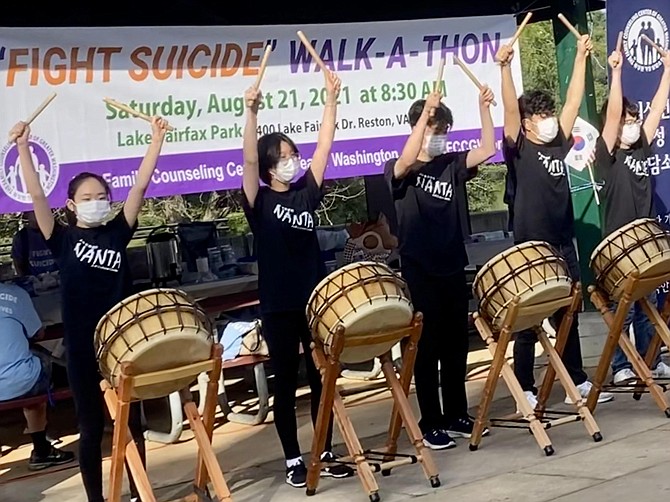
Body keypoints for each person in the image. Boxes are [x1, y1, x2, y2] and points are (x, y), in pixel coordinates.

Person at [9, 116, 169, 502]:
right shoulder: (60, 238)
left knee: (130, 421)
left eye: (102, 197)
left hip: (122, 344)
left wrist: (156, 140)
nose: (97, 203)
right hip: (82, 346)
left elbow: (141, 185)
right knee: (91, 424)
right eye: (87, 198)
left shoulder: (118, 230)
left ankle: (138, 492)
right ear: (71, 205)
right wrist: (23, 150)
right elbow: (35, 197)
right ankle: (97, 497)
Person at [241, 70, 354, 487]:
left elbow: (325, 144)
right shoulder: (258, 199)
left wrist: (331, 98)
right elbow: (249, 160)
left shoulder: (306, 192)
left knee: (324, 377)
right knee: (286, 383)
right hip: (279, 304)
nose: (292, 160)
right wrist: (251, 112)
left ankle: (324, 448)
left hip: (315, 300)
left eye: (293, 153)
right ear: (271, 164)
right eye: (283, 155)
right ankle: (293, 457)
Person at [497, 35, 614, 408]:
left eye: (549, 115)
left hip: (563, 240)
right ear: (529, 123)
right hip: (531, 244)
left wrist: (580, 57)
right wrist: (504, 68)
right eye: (541, 117)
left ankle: (574, 380)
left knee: (569, 313)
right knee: (529, 320)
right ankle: (525, 389)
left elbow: (574, 101)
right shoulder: (518, 146)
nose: (548, 122)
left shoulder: (558, 141)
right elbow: (510, 112)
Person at [384, 84, 497, 449]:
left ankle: (456, 414)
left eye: (444, 131)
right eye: (435, 130)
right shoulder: (399, 169)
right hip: (420, 270)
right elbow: (405, 160)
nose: (440, 138)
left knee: (455, 347)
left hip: (452, 266)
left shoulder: (451, 165)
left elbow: (488, 149)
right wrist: (425, 117)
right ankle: (430, 420)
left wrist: (483, 108)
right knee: (426, 348)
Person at [595, 45, 670, 384]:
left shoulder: (642, 143)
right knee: (622, 312)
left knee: (647, 306)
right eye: (626, 121)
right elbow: (611, 117)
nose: (630, 125)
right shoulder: (607, 154)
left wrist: (667, 69)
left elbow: (656, 108)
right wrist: (616, 73)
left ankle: (649, 360)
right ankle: (622, 367)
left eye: (632, 120)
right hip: (619, 243)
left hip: (646, 240)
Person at [0, 281, 75, 470]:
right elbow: (38, 333)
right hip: (21, 380)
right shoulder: (14, 293)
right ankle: (42, 449)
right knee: (34, 371)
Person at [12, 211, 58, 277]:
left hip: (57, 279)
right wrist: (23, 279)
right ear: (26, 215)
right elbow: (17, 261)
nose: (38, 213)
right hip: (33, 281)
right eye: (33, 211)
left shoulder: (56, 232)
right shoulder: (21, 236)